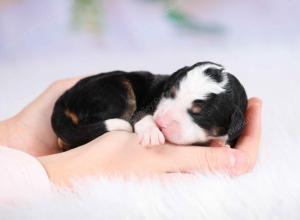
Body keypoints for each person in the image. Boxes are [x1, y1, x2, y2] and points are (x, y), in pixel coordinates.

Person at [0, 77, 262, 203]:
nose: (164, 116)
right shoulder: (147, 106)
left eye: (196, 113)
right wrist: (59, 173)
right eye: (170, 95)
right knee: (121, 102)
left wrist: (16, 134)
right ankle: (80, 134)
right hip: (86, 106)